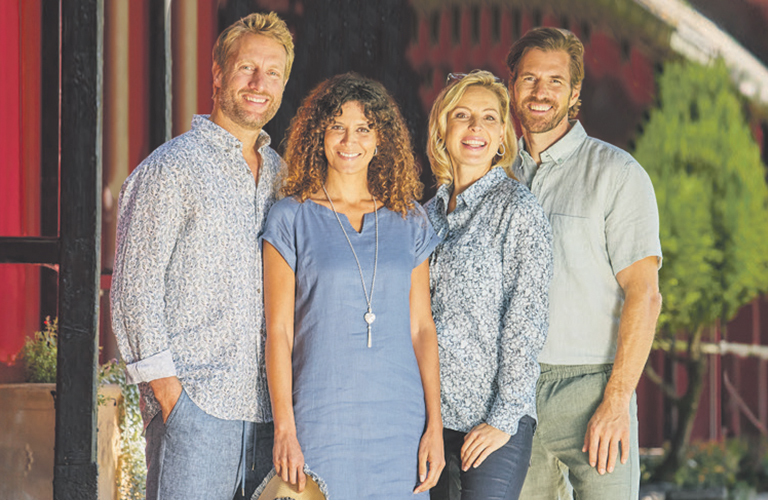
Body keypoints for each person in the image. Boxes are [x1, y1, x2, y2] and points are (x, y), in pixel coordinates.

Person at [110, 12, 294, 500]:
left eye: (272, 73)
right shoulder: (171, 168)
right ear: (217, 74)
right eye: (246, 68)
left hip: (271, 420)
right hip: (196, 410)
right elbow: (134, 291)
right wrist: (170, 396)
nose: (258, 83)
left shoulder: (284, 177)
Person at [260, 72, 445, 499]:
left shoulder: (410, 219)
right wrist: (284, 428)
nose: (350, 140)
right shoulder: (290, 217)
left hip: (400, 423)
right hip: (320, 418)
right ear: (318, 135)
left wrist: (434, 425)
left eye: (364, 128)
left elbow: (422, 328)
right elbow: (279, 332)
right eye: (337, 126)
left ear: (381, 140)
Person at [505, 27, 663, 499]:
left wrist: (616, 401)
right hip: (514, 394)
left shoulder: (617, 174)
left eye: (555, 81)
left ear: (575, 92)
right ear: (512, 85)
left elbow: (645, 295)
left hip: (593, 388)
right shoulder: (496, 176)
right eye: (530, 79)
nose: (540, 92)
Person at [424, 70, 553, 500]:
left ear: (502, 137)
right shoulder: (424, 217)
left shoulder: (518, 210)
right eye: (462, 115)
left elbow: (526, 320)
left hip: (493, 421)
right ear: (443, 129)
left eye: (489, 118)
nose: (475, 127)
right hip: (427, 419)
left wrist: (502, 417)